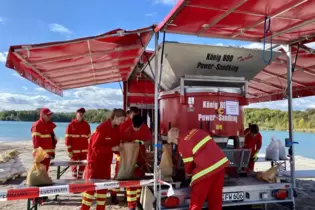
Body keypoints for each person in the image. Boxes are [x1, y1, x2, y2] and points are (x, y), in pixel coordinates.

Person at [167, 128, 229, 210]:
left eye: (173, 142)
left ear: (175, 138)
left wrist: (187, 176)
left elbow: (188, 165)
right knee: (216, 201)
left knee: (196, 203)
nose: (175, 144)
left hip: (205, 172)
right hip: (220, 166)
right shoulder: (195, 130)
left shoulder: (182, 143)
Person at [81, 109, 126, 210]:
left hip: (106, 164)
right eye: (122, 120)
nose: (122, 122)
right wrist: (111, 148)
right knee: (89, 192)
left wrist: (122, 151)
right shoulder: (101, 128)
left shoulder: (117, 129)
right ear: (114, 117)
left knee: (103, 192)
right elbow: (95, 147)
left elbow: (116, 146)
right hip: (95, 164)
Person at [121, 115, 152, 210]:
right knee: (131, 185)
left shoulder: (145, 129)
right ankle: (131, 206)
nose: (137, 129)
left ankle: (137, 202)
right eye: (136, 127)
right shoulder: (127, 132)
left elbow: (149, 141)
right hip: (130, 160)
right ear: (132, 124)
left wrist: (142, 143)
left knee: (139, 182)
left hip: (141, 159)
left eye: (139, 128)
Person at [111, 106, 139, 202]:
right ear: (129, 114)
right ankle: (113, 194)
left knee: (129, 174)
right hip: (122, 153)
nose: (135, 117)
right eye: (134, 115)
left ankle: (127, 196)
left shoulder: (133, 124)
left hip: (130, 152)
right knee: (119, 175)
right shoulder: (123, 124)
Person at [65, 108, 91, 179]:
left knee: (81, 170)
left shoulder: (86, 125)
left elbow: (89, 138)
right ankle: (74, 182)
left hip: (84, 152)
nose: (81, 114)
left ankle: (79, 182)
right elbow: (67, 140)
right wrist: (69, 150)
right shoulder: (70, 125)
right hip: (74, 152)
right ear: (76, 114)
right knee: (74, 170)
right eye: (79, 113)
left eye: (82, 113)